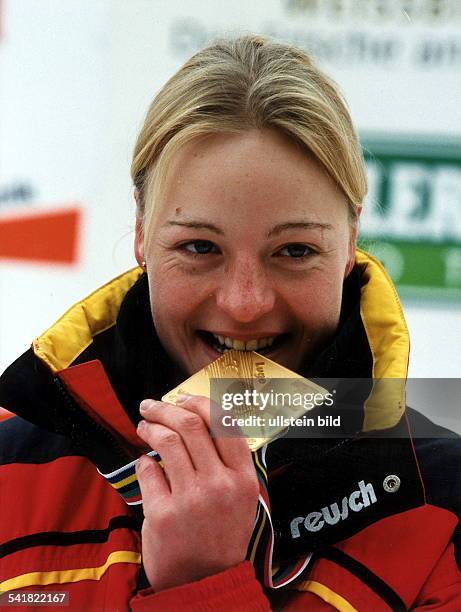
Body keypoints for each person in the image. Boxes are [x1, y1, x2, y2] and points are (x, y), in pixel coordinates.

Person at [0, 35, 460, 611]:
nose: (245, 304)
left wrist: (204, 584)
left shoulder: (442, 501)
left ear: (349, 244)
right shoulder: (9, 465)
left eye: (294, 251)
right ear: (142, 232)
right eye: (199, 246)